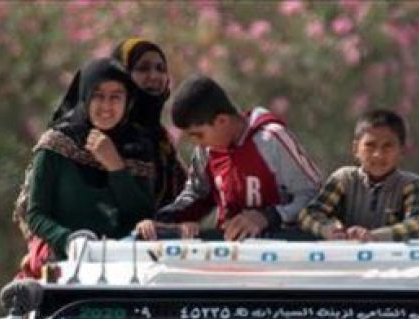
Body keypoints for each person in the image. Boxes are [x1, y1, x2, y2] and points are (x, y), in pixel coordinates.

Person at [137, 75, 321, 241]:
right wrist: (162, 221)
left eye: (199, 135)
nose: (197, 144)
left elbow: (315, 196)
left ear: (222, 121)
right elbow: (196, 196)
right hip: (227, 255)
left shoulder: (271, 140)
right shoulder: (207, 151)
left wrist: (268, 216)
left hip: (281, 252)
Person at [21, 57, 156, 272]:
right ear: (85, 96)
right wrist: (71, 240)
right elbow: (36, 215)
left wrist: (116, 167)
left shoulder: (138, 150)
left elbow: (141, 216)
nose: (106, 106)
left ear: (128, 101)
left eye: (115, 97)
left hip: (123, 267)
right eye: (98, 96)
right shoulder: (56, 145)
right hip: (64, 263)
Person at [298, 108, 419, 241]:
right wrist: (330, 230)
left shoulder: (411, 184)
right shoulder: (344, 179)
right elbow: (309, 214)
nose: (378, 154)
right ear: (356, 149)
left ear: (402, 151)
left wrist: (374, 237)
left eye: (387, 146)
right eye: (370, 145)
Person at [111, 38, 187, 207]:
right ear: (122, 75)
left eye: (160, 69)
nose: (154, 76)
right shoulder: (105, 134)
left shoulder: (163, 142)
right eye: (143, 68)